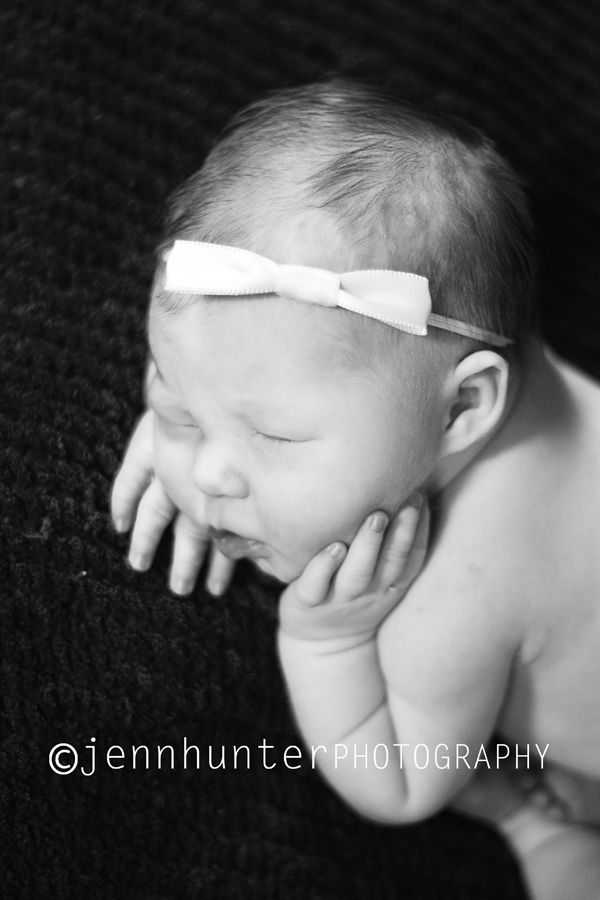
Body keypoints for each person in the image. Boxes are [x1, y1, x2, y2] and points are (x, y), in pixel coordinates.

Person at [110, 78, 600, 898]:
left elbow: (401, 785)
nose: (209, 473)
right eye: (174, 402)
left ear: (463, 410)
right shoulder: (498, 359)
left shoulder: (457, 594)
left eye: (275, 435)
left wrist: (326, 642)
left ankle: (539, 823)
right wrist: (204, 410)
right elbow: (254, 355)